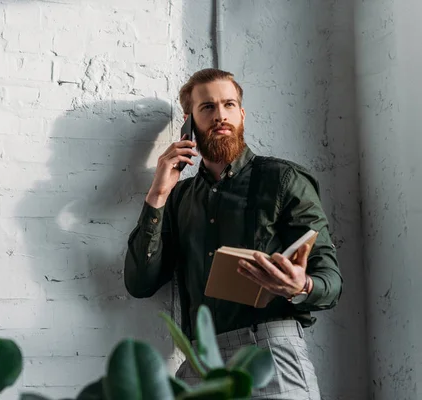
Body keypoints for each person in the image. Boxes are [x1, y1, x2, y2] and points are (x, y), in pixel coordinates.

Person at [123, 68, 343, 399]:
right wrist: (157, 194)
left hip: (269, 350)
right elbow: (140, 284)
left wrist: (301, 286)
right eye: (207, 107)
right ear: (189, 122)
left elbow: (331, 281)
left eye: (229, 105)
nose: (220, 116)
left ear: (241, 114)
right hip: (201, 361)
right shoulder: (178, 198)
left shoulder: (283, 180)